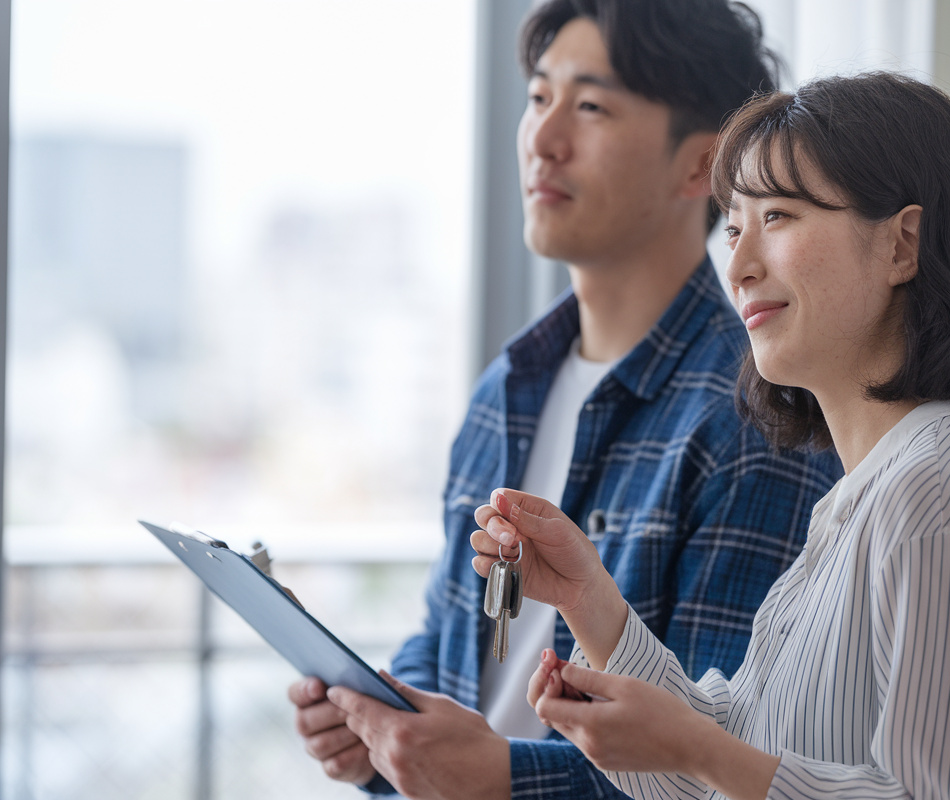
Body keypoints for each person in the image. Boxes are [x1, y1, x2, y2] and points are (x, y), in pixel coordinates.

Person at [465, 72, 950, 799]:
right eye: (734, 228)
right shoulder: (865, 501)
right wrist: (588, 600)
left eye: (780, 217)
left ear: (902, 245)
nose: (738, 266)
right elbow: (733, 762)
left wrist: (698, 749)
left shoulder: (936, 496)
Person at [293, 2, 843, 798]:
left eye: (589, 106)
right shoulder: (509, 385)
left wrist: (503, 778)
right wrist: (377, 728)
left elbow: (721, 761)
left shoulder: (757, 421)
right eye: (539, 97)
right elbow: (446, 640)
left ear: (702, 167)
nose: (543, 139)